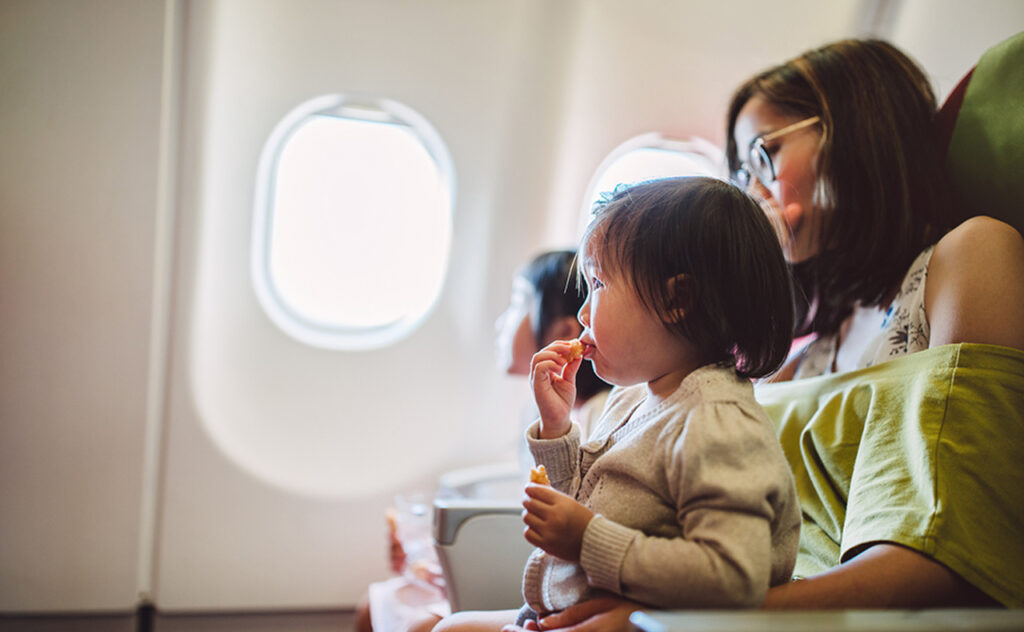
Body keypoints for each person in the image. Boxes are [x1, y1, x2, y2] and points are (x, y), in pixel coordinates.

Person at [516, 38, 1024, 631]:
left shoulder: (969, 258)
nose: (750, 189)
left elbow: (947, 550)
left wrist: (657, 617)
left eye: (765, 154)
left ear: (855, 132)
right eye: (739, 169)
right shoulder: (818, 335)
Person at [434, 176, 802, 632]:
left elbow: (732, 579)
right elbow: (587, 498)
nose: (584, 314)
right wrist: (557, 428)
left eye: (598, 286)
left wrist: (586, 538)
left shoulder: (716, 421)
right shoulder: (631, 399)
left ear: (676, 300)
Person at [355, 250, 612, 632]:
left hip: (549, 577)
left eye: (516, 304)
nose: (500, 323)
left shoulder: (597, 416)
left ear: (563, 334)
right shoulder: (541, 411)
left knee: (417, 625)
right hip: (526, 562)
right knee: (370, 606)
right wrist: (428, 555)